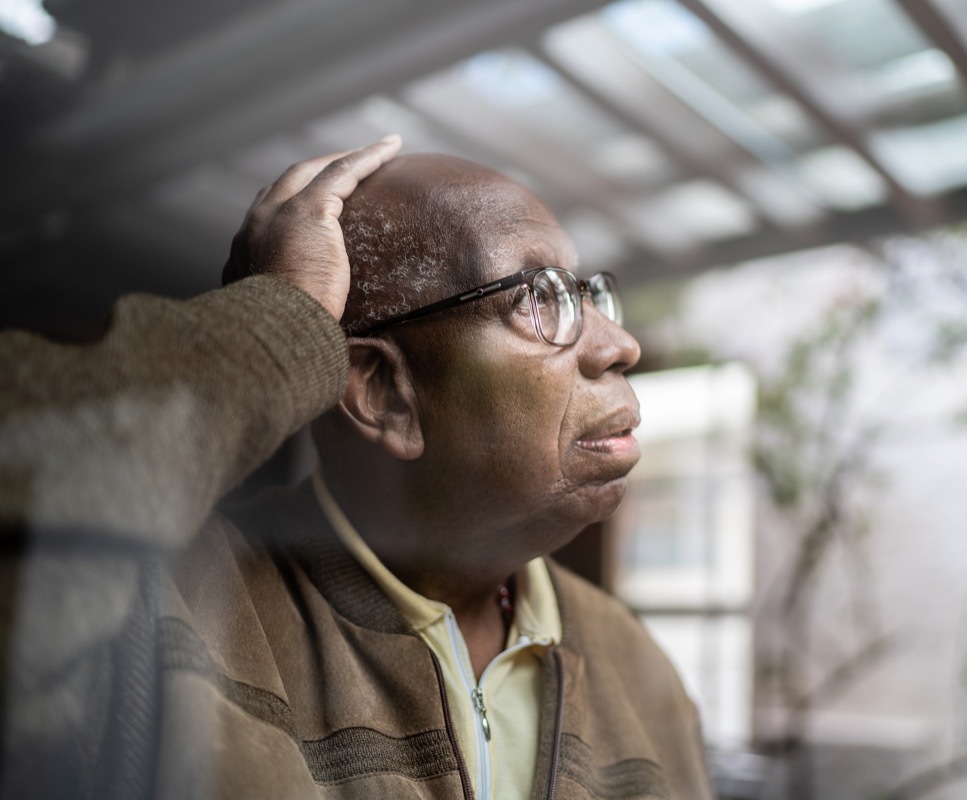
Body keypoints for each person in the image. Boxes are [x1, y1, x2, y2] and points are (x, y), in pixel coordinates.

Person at [0, 137, 712, 800]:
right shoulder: (164, 611)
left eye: (588, 296)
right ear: (383, 395)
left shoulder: (642, 673)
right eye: (539, 297)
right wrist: (277, 325)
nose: (620, 345)